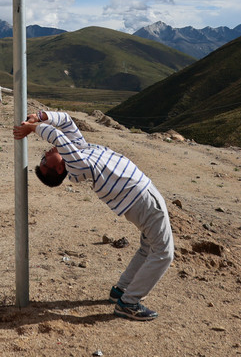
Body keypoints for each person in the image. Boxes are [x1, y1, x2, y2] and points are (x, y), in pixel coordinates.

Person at [13, 109, 174, 321]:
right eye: (44, 161)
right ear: (60, 169)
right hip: (142, 200)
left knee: (148, 247)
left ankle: (122, 290)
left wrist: (41, 116)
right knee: (164, 252)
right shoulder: (78, 165)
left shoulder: (79, 150)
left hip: (141, 198)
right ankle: (129, 303)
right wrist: (33, 128)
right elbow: (57, 136)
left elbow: (66, 122)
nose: (44, 155)